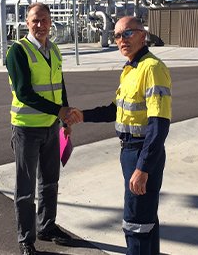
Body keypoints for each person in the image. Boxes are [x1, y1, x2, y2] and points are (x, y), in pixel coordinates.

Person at [67, 16, 172, 255]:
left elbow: (159, 124)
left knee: (135, 223)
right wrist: (82, 115)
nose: (121, 40)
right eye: (117, 35)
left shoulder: (152, 68)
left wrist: (143, 168)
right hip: (130, 151)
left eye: (128, 33)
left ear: (142, 35)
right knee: (146, 220)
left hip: (141, 151)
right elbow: (115, 109)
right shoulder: (130, 68)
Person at [6, 3, 77, 255]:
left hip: (51, 127)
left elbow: (60, 84)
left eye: (44, 20)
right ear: (27, 22)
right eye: (35, 20)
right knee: (25, 189)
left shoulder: (54, 49)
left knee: (50, 182)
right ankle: (26, 239)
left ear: (50, 23)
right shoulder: (18, 51)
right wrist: (58, 111)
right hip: (27, 129)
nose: (40, 25)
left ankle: (47, 226)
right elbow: (24, 93)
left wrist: (65, 116)